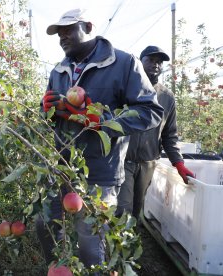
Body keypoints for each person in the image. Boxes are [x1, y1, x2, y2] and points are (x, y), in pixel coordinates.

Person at [36, 8, 164, 270]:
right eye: (59, 33)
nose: (62, 37)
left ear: (89, 27)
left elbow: (151, 112)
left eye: (68, 30)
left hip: (100, 172)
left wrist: (103, 122)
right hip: (60, 166)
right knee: (45, 223)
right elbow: (53, 117)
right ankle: (59, 270)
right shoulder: (59, 71)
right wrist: (46, 109)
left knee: (90, 243)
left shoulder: (124, 64)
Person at [116, 46, 195, 219]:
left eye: (159, 62)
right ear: (140, 61)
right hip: (124, 160)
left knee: (137, 210)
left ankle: (128, 243)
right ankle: (114, 244)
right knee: (123, 209)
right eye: (151, 60)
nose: (156, 65)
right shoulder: (125, 88)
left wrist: (178, 163)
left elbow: (169, 134)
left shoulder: (166, 97)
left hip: (148, 162)